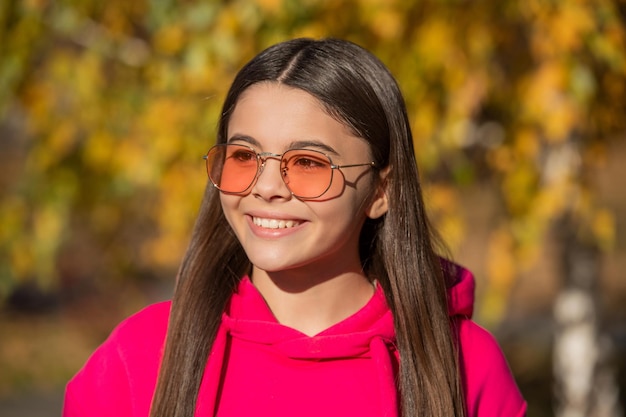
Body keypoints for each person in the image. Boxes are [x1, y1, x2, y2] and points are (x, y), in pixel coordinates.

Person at [63, 38, 526, 417]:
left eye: (307, 163)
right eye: (244, 156)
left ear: (382, 192)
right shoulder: (140, 358)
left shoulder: (461, 365)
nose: (266, 188)